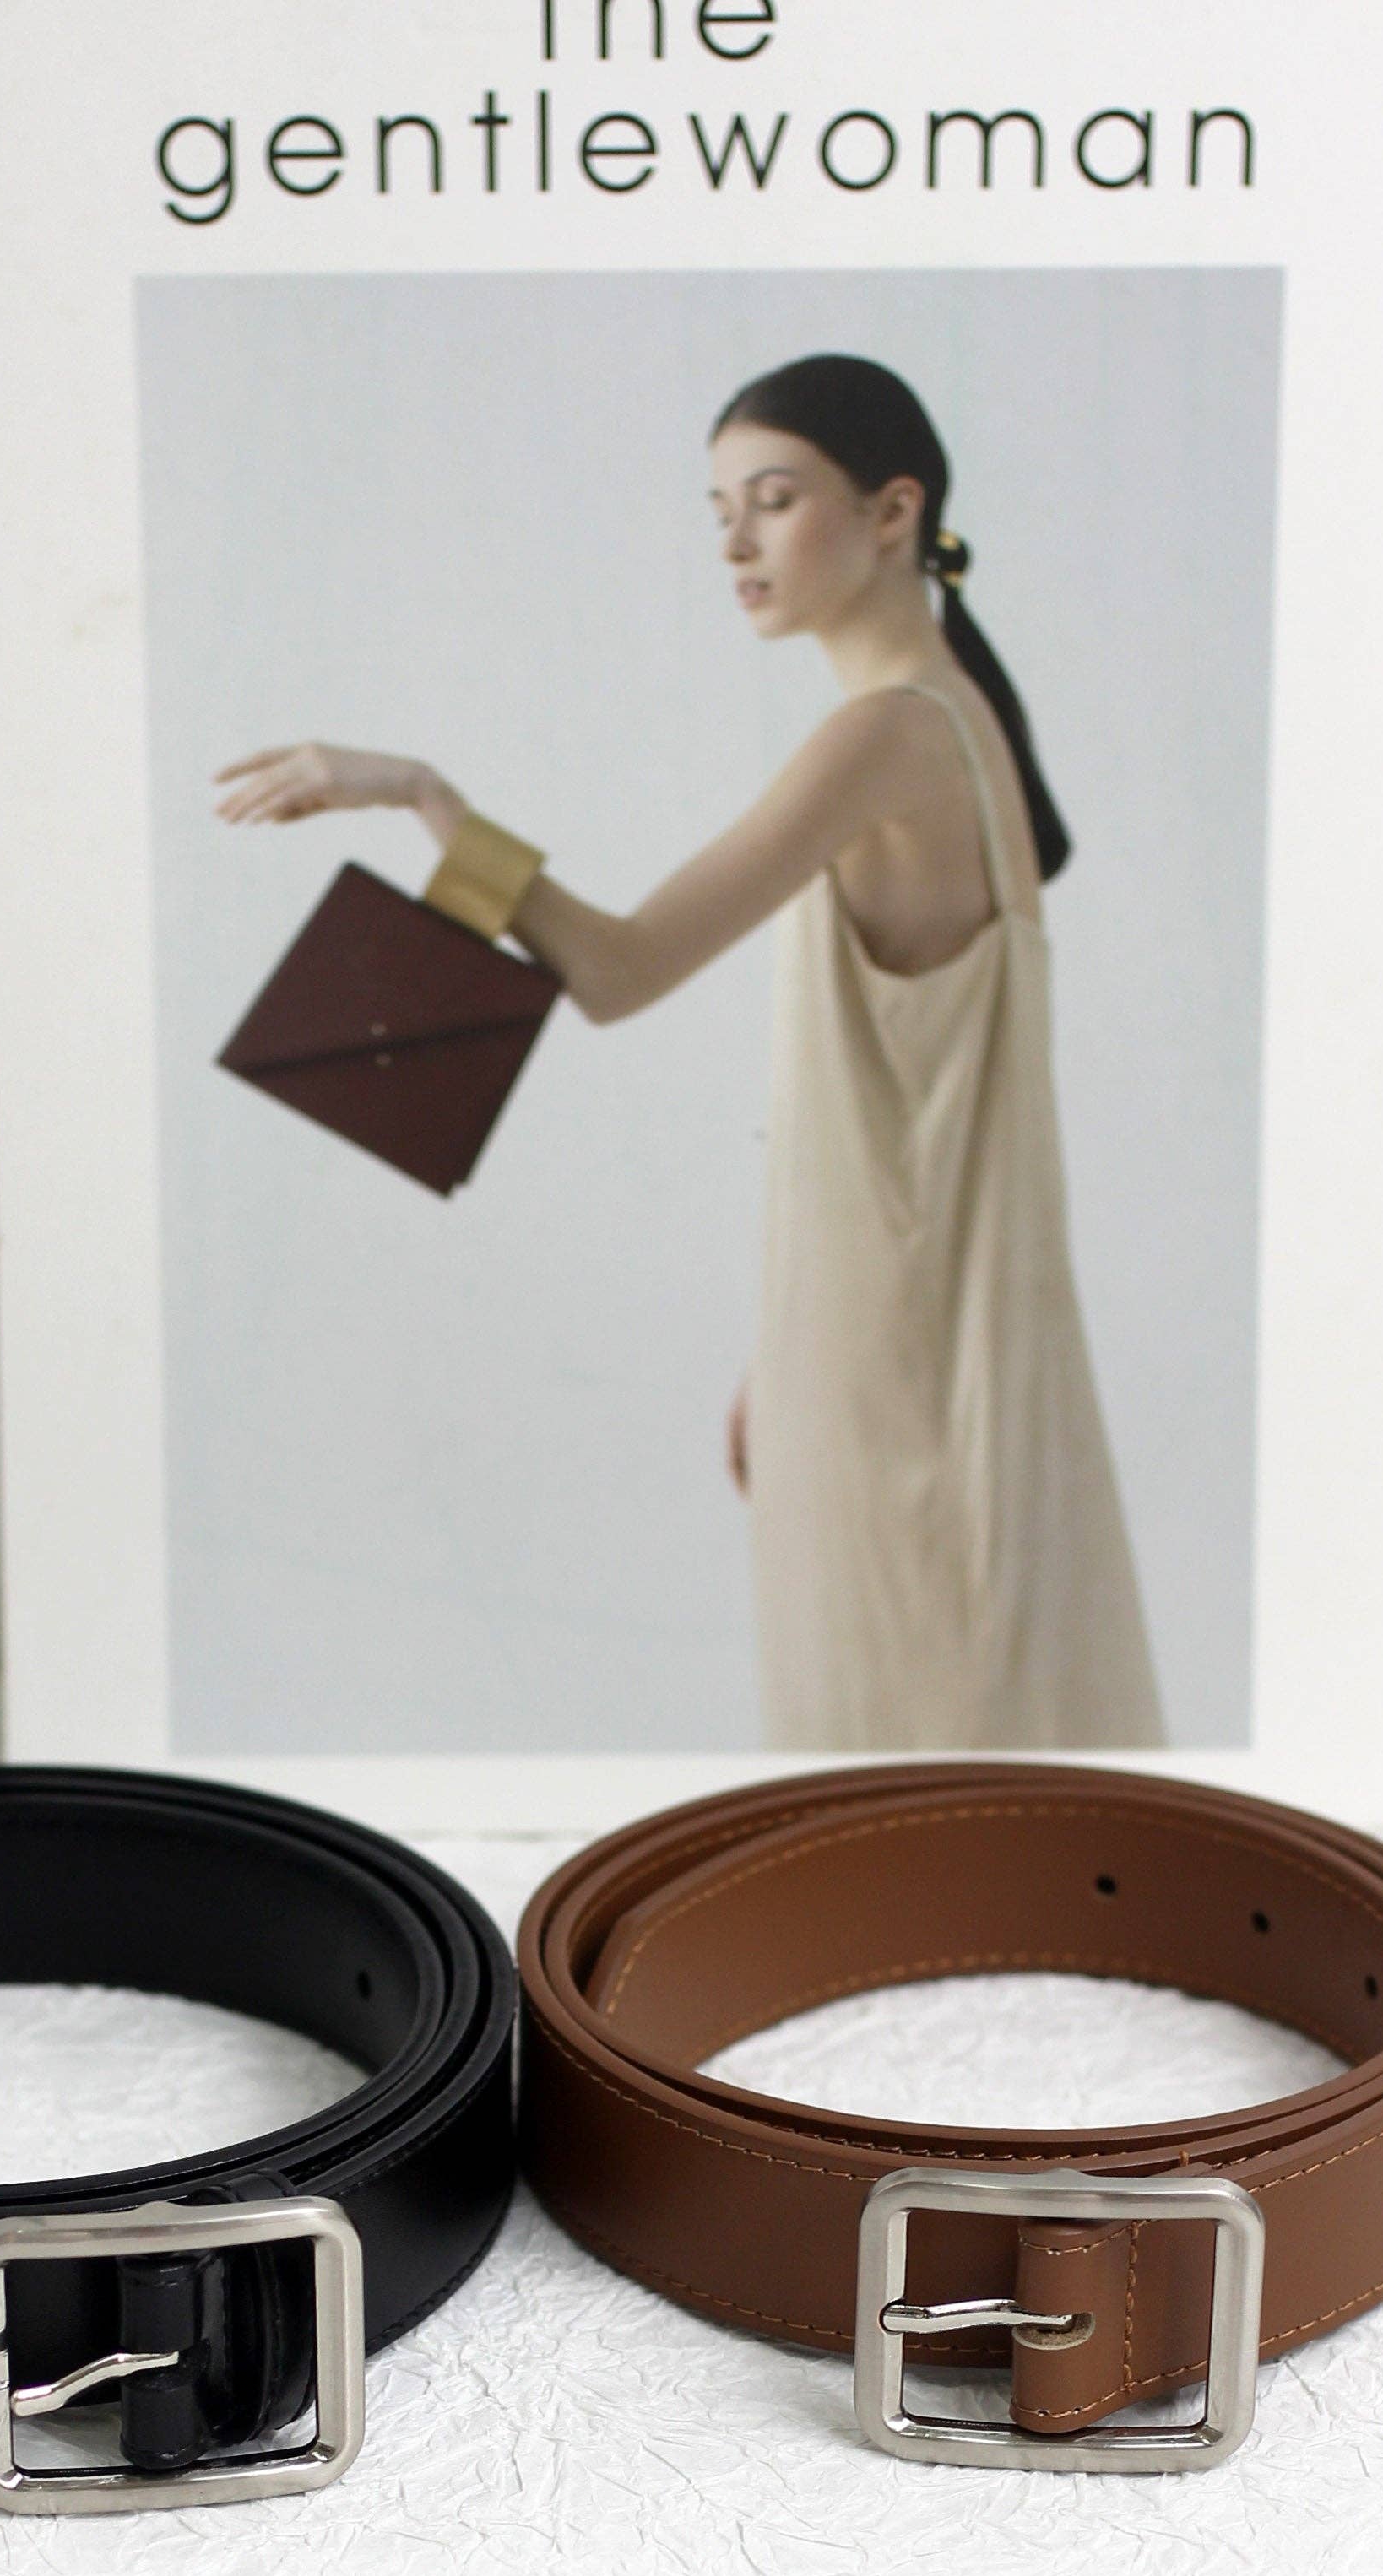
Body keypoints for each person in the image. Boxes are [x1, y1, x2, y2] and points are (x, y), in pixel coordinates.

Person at [213, 350, 1164, 1751]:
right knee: (962, 1710)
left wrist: (420, 795)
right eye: (720, 510)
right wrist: (785, 1349)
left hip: (905, 1371)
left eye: (773, 501)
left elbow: (616, 970)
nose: (733, 544)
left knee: (905, 1734)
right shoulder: (959, 720)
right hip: (912, 1342)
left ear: (893, 510)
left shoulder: (888, 735)